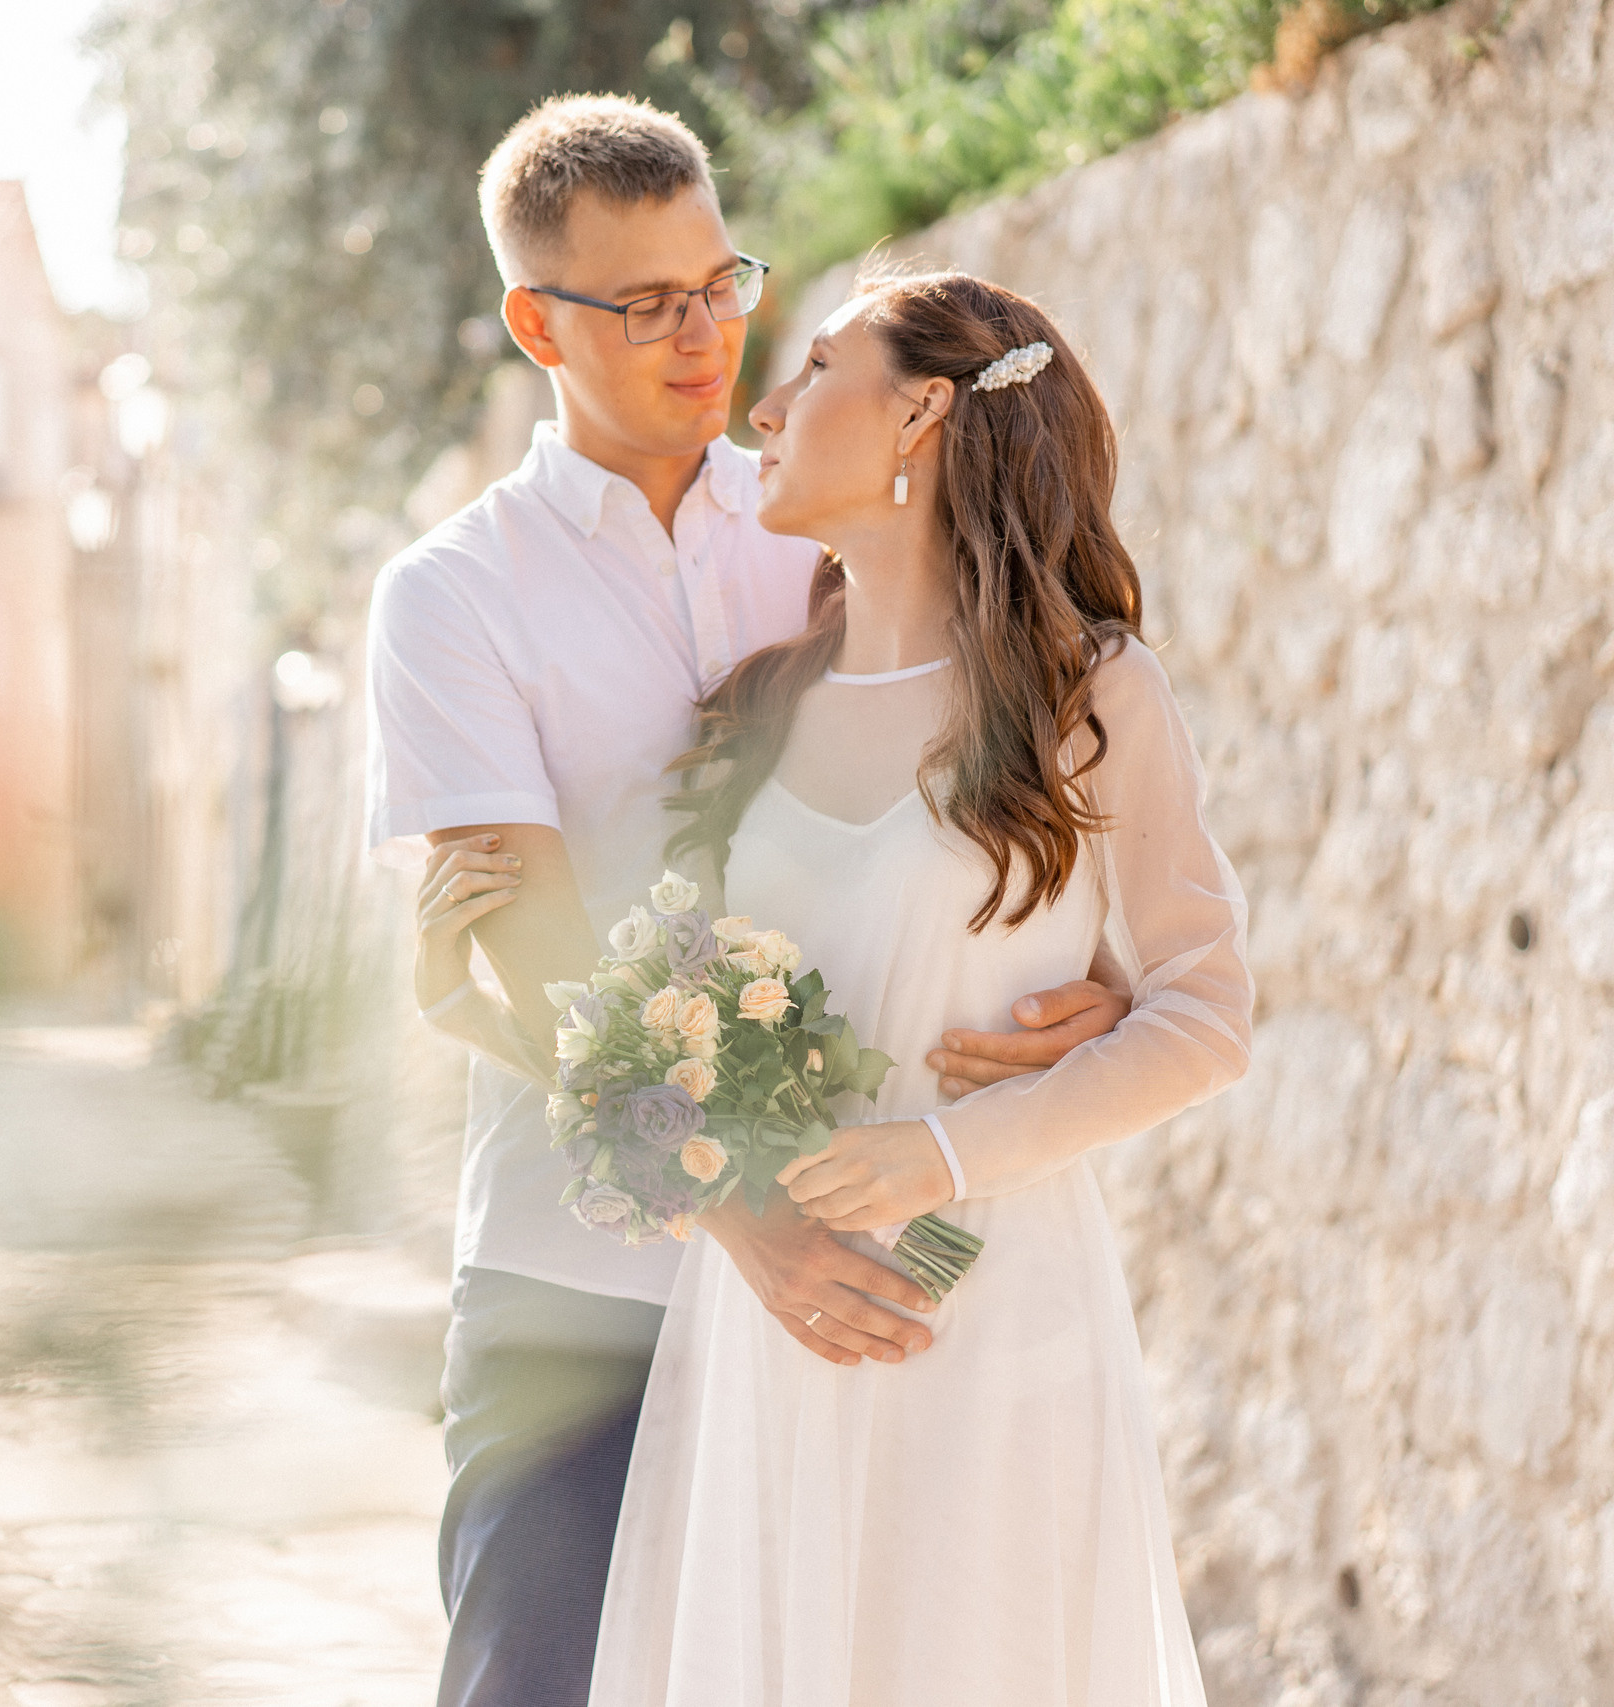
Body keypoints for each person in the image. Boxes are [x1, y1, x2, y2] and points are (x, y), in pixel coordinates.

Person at [364, 97, 1133, 1707]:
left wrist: (1098, 980)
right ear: (537, 325)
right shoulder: (452, 599)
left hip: (863, 1262)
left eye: (721, 285)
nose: (706, 336)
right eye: (647, 305)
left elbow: (1012, 785)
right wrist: (742, 1221)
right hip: (585, 1290)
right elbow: (533, 952)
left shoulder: (833, 529)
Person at [578, 268, 1254, 1703]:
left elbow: (1206, 1012)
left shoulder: (1091, 695)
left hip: (988, 1308)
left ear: (921, 413)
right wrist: (738, 1206)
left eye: (818, 368)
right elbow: (649, 1025)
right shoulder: (755, 710)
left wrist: (941, 1153)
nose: (766, 408)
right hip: (776, 1318)